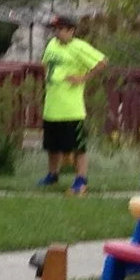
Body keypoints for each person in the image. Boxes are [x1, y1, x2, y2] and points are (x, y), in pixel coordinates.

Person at [38, 12, 107, 194]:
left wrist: (83, 78)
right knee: (52, 145)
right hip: (52, 105)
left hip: (71, 108)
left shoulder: (79, 47)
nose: (57, 33)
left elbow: (102, 62)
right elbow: (45, 63)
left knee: (77, 146)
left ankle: (81, 179)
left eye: (61, 29)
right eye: (55, 29)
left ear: (71, 31)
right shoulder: (52, 44)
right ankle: (52, 174)